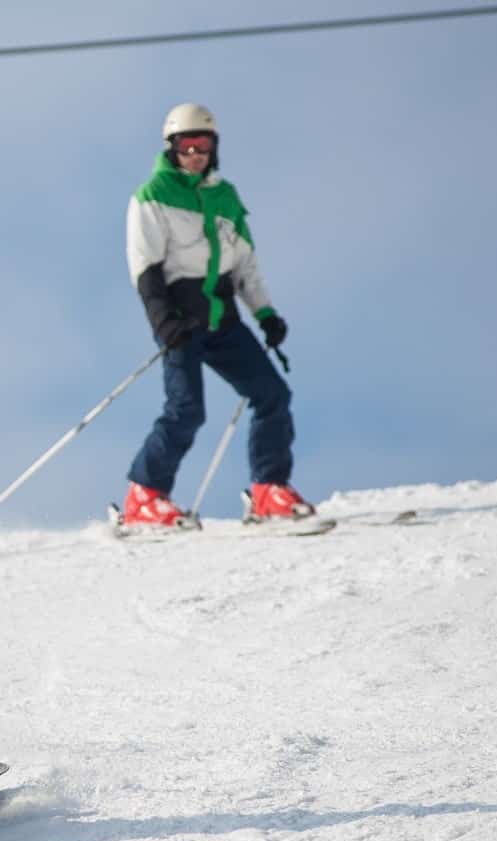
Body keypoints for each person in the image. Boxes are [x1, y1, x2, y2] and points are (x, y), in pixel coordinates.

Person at [122, 102, 310, 527]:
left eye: (203, 145)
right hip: (180, 321)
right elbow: (145, 268)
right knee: (186, 411)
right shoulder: (152, 196)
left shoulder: (226, 197)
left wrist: (265, 315)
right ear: (171, 148)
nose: (195, 154)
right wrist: (164, 322)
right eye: (187, 145)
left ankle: (269, 491)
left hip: (222, 318)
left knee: (272, 395)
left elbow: (245, 264)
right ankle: (144, 497)